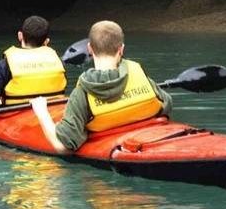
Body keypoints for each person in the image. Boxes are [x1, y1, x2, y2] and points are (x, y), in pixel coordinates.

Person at [31, 20, 172, 153]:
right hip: (148, 138)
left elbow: (63, 146)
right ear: (121, 49)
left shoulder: (82, 92)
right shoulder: (138, 73)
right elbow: (166, 104)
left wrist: (42, 112)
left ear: (90, 49)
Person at [0, 15, 67, 109]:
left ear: (20, 35)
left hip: (15, 114)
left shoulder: (5, 65)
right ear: (46, 41)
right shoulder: (58, 62)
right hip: (54, 111)